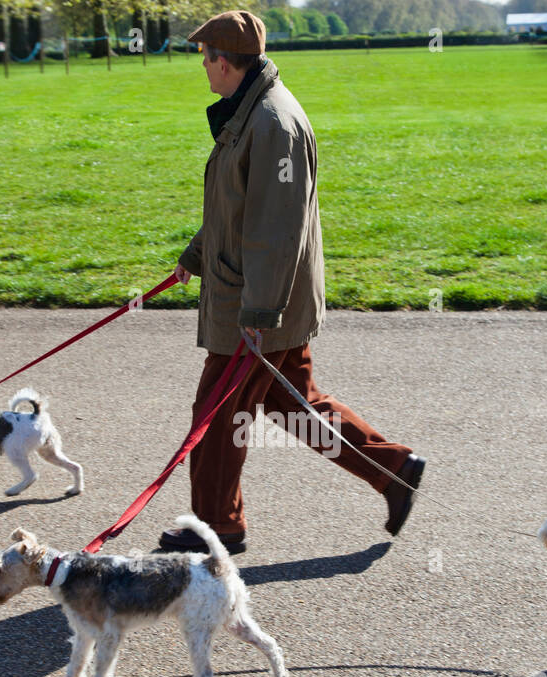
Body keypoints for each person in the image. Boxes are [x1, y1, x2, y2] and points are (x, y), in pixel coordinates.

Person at [158, 10, 423, 555]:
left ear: (225, 61)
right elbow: (235, 208)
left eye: (206, 58)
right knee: (293, 406)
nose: (203, 68)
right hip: (261, 298)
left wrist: (257, 317)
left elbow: (275, 233)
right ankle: (393, 469)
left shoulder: (272, 125)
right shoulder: (249, 111)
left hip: (257, 306)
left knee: (213, 417)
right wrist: (196, 255)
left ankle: (216, 529)